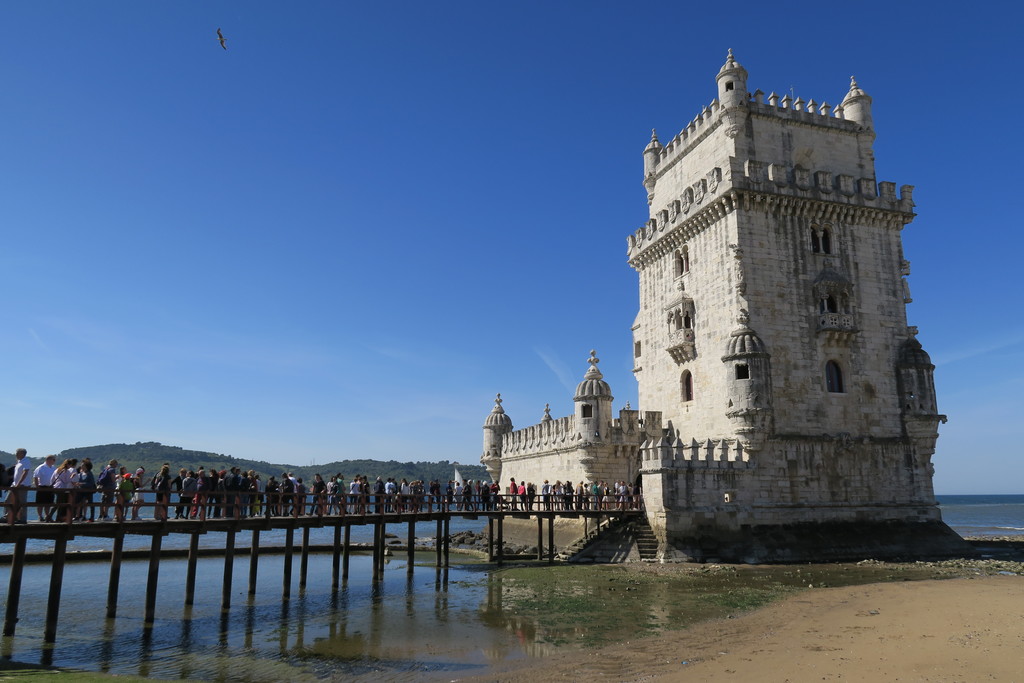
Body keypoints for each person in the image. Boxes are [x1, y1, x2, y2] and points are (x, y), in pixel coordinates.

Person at [8, 448, 31, 524]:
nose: (16, 454)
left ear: (22, 454)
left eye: (17, 453)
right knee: (8, 500)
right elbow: (17, 474)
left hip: (22, 485)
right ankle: (8, 517)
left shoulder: (26, 461)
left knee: (22, 502)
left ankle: (23, 519)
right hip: (15, 485)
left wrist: (18, 483)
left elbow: (25, 472)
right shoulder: (19, 462)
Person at [33, 455, 58, 522]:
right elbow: (35, 477)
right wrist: (37, 487)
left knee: (49, 503)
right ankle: (40, 516)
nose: (54, 461)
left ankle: (47, 516)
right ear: (49, 460)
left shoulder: (53, 468)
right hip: (42, 486)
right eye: (53, 460)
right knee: (40, 503)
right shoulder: (41, 467)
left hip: (50, 487)